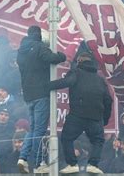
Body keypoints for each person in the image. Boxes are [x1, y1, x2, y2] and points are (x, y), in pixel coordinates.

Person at [48, 52, 112, 174]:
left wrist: (47, 86)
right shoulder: (100, 80)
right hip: (96, 117)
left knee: (67, 138)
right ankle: (93, 165)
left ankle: (72, 164)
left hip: (77, 114)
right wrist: (105, 119)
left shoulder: (76, 73)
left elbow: (66, 82)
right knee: (98, 141)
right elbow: (108, 100)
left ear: (79, 61)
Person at [16, 25, 66, 173]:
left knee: (32, 129)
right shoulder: (39, 47)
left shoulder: (20, 51)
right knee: (39, 130)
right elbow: (52, 58)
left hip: (28, 95)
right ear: (39, 35)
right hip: (41, 94)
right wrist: (62, 56)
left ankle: (23, 158)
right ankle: (38, 163)